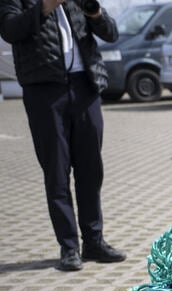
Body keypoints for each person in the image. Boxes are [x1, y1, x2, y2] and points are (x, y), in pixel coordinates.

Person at [0, 0, 125, 271]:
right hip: (45, 92)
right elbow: (9, 30)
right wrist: (43, 8)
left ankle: (94, 241)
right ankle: (69, 246)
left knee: (91, 169)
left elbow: (111, 33)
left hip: (86, 86)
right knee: (56, 171)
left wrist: (95, 12)